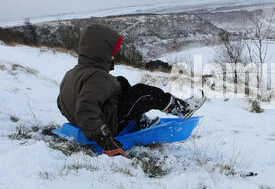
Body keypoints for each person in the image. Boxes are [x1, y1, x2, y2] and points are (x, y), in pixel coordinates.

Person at [57, 25, 199, 157]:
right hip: (106, 125)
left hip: (91, 120)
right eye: (112, 52)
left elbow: (61, 103)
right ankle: (182, 109)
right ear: (102, 52)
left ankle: (140, 120)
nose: (114, 56)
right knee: (142, 93)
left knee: (121, 82)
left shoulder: (73, 73)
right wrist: (105, 140)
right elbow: (85, 110)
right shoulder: (99, 78)